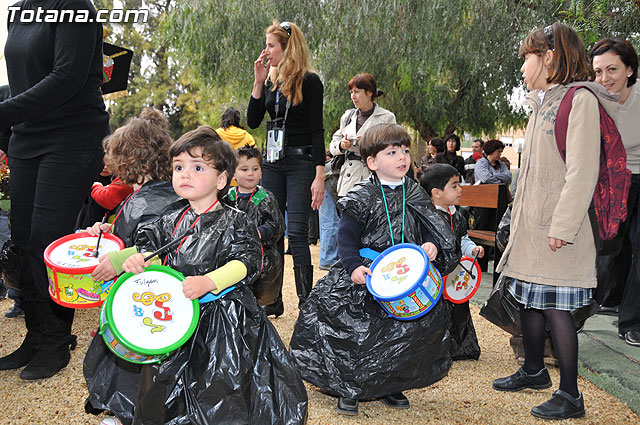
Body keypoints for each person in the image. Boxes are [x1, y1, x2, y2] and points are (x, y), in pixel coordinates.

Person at [108, 126, 306, 424]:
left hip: (225, 318)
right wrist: (134, 259)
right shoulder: (172, 218)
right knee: (167, 380)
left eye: (197, 167)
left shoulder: (235, 220)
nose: (184, 174)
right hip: (177, 314)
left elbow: (247, 262)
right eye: (178, 167)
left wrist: (210, 281)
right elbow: (149, 247)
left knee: (220, 383)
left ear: (222, 179)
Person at [492, 22, 617, 420]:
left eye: (528, 57)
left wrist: (562, 227)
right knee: (531, 298)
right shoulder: (543, 102)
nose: (523, 66)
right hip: (533, 224)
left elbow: (581, 172)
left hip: (560, 228)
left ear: (549, 58)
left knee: (556, 309)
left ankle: (570, 394)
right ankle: (533, 370)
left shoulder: (579, 101)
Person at [289, 123, 458, 416]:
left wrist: (431, 245)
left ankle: (390, 384)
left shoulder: (415, 193)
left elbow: (430, 227)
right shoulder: (362, 195)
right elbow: (346, 236)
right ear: (372, 162)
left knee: (401, 332)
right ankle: (349, 387)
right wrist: (353, 266)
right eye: (392, 152)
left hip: (404, 273)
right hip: (367, 271)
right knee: (355, 330)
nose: (402, 157)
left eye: (404, 151)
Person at [0, 0, 109, 380]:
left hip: (72, 136)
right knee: (24, 240)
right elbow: (21, 79)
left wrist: (4, 112)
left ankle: (56, 342)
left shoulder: (74, 6)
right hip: (25, 138)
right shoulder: (18, 10)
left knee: (49, 238)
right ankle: (36, 334)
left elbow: (67, 77)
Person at [82, 108, 187, 425]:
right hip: (162, 299)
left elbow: (152, 249)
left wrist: (116, 256)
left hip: (146, 297)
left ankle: (126, 412)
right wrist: (108, 233)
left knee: (134, 357)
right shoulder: (163, 193)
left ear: (129, 162)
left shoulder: (146, 200)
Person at [247, 20, 325, 313]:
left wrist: (319, 173)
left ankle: (307, 303)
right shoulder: (270, 79)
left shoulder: (310, 81)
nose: (266, 51)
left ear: (287, 47)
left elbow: (318, 131)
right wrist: (257, 81)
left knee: (297, 232)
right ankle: (272, 299)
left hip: (302, 161)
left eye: (270, 45)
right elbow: (253, 121)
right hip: (273, 161)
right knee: (273, 229)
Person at [590, 39, 640, 346]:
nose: (604, 78)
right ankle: (582, 309)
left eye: (612, 69)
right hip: (611, 182)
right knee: (606, 249)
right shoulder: (592, 100)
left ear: (630, 70)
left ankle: (631, 320)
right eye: (598, 71)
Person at [421, 164, 484, 360]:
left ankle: (461, 347)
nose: (460, 189)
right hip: (436, 275)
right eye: (454, 186)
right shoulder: (427, 216)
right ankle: (435, 350)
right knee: (436, 311)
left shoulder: (458, 214)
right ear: (436, 193)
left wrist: (471, 249)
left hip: (456, 275)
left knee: (459, 310)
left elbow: (462, 239)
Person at [223, 145, 285, 310]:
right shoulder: (227, 197)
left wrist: (260, 232)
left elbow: (277, 225)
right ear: (233, 173)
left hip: (262, 256)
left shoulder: (265, 197)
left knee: (260, 297)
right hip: (234, 254)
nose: (250, 173)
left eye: (255, 169)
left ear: (261, 172)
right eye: (244, 169)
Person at [329, 73, 397, 197]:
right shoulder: (348, 116)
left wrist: (368, 143)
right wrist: (342, 145)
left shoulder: (387, 117)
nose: (353, 96)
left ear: (369, 92)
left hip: (375, 179)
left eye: (357, 92)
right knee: (347, 215)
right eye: (351, 92)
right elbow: (333, 145)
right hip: (349, 180)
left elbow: (394, 148)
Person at [319, 150, 340, 270]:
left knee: (328, 221)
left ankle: (328, 258)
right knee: (330, 221)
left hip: (328, 177)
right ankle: (328, 259)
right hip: (330, 179)